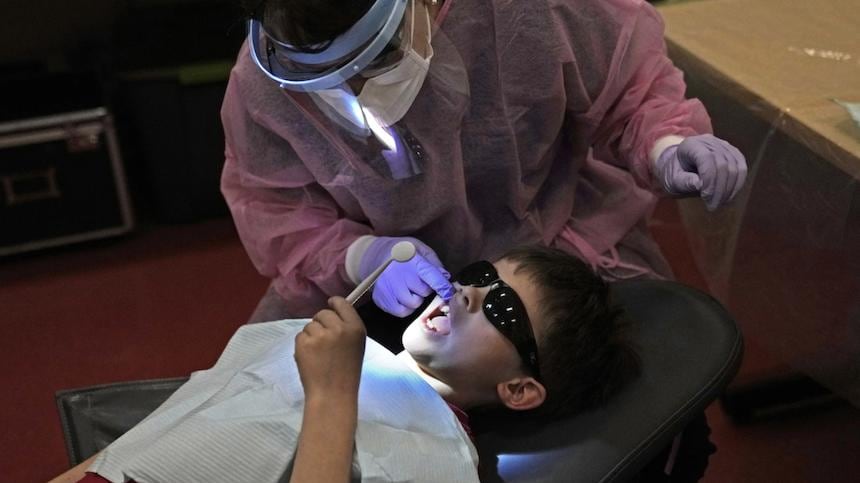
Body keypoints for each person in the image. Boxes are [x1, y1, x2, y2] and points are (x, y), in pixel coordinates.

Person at [221, 0, 747, 320]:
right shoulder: (266, 80)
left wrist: (667, 145)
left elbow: (629, 87)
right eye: (328, 79)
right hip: (374, 291)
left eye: (376, 57)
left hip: (557, 250)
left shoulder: (529, 13)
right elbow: (275, 208)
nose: (355, 91)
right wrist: (362, 259)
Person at [49, 245, 640, 483]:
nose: (465, 293)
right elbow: (152, 442)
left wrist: (331, 397)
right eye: (480, 276)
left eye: (502, 308)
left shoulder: (438, 457)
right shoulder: (308, 342)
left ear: (519, 389)